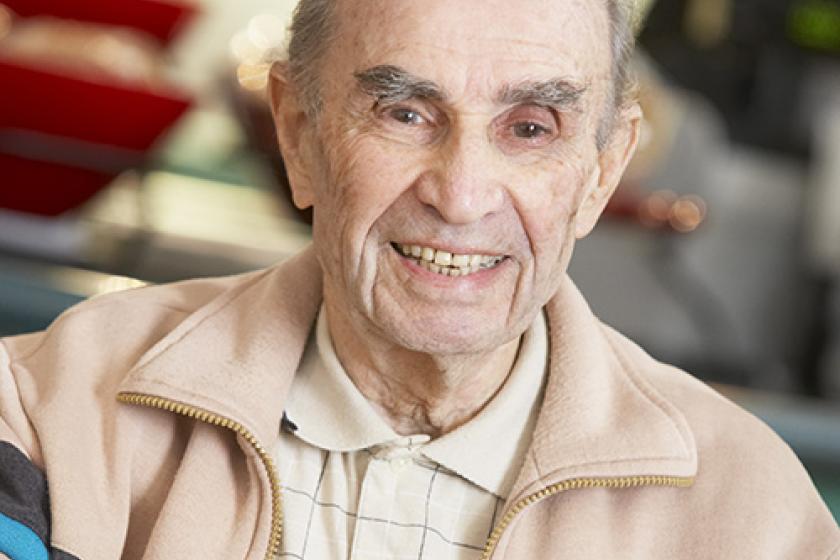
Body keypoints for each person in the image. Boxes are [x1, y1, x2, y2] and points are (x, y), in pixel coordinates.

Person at [1, 0, 838, 558]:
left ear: (600, 171)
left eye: (530, 127)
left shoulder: (752, 517)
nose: (462, 195)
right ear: (299, 134)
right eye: (405, 113)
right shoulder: (49, 410)